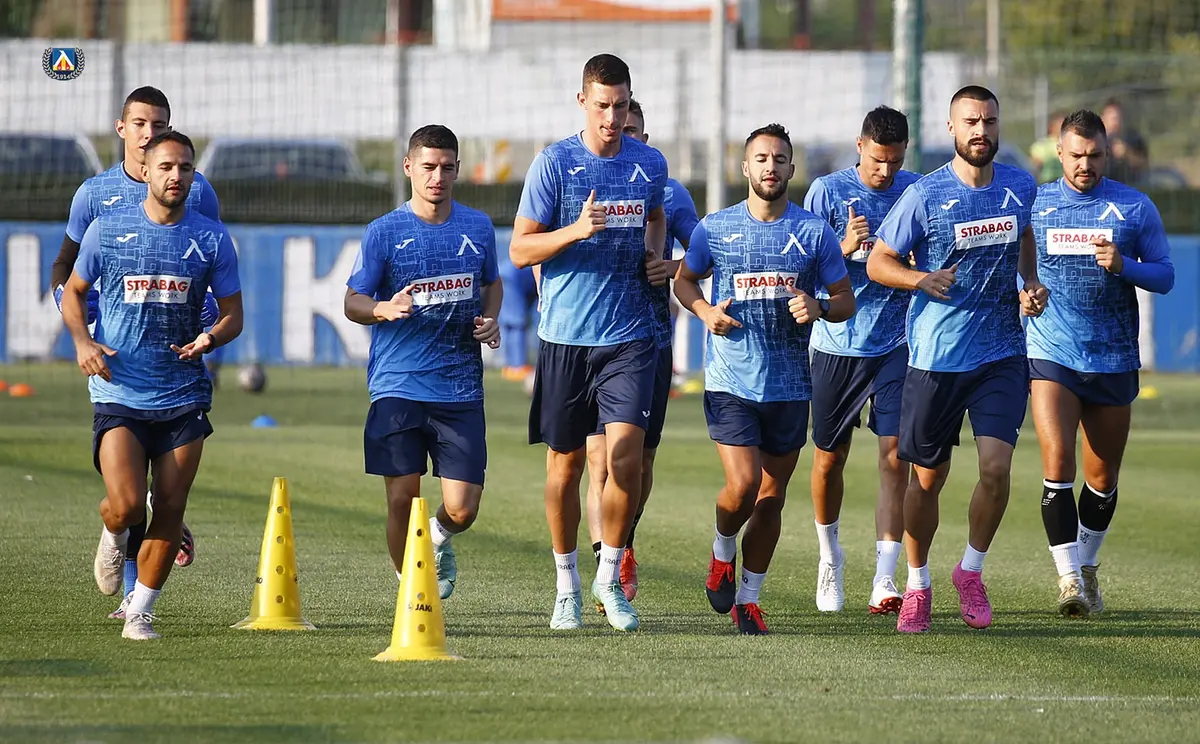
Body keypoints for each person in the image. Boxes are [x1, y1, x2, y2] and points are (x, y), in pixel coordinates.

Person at [867, 85, 1045, 633]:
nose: (981, 131)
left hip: (1002, 353)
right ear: (951, 128)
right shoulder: (925, 194)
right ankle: (917, 583)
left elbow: (1025, 236)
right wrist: (920, 279)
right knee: (927, 479)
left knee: (996, 469)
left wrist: (1029, 282)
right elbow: (878, 262)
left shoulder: (1019, 185)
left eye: (989, 121)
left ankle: (970, 571)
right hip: (937, 358)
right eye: (971, 122)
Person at [61, 131, 242, 640]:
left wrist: (210, 337)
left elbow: (234, 314)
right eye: (166, 166)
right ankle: (113, 529)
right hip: (120, 389)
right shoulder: (108, 229)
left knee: (169, 507)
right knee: (125, 504)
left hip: (184, 393)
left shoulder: (212, 238)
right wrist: (83, 342)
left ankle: (139, 611)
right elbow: (73, 292)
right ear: (145, 171)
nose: (175, 176)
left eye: (185, 168)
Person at [511, 53, 669, 632]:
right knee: (566, 466)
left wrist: (655, 256)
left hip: (630, 336)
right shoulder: (553, 164)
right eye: (602, 105)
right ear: (582, 101)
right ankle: (566, 585)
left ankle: (609, 574)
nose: (611, 117)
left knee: (625, 455)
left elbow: (657, 216)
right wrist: (575, 231)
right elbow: (520, 250)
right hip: (566, 339)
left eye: (620, 106)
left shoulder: (649, 163)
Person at [675, 123, 854, 635]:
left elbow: (845, 300)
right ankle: (721, 549)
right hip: (731, 381)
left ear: (792, 169)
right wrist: (705, 312)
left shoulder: (814, 233)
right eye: (761, 159)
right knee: (744, 486)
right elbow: (686, 281)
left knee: (771, 498)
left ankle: (749, 599)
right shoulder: (716, 228)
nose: (770, 167)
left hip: (791, 385)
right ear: (745, 168)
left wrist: (819, 307)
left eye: (779, 159)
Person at [1025, 109, 1174, 617]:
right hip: (1052, 352)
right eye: (1075, 155)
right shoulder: (1036, 204)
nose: (1084, 164)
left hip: (1112, 356)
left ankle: (1087, 567)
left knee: (1102, 478)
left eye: (1093, 155)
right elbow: (1014, 265)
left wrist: (1124, 265)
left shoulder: (1133, 207)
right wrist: (1025, 290)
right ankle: (1068, 577)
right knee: (1057, 464)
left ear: (1107, 154)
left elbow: (1165, 276)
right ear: (1059, 153)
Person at [345, 125, 502, 601]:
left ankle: (436, 539)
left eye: (447, 168)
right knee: (402, 498)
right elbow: (353, 301)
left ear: (457, 170)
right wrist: (382, 308)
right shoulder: (384, 232)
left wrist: (490, 319)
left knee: (463, 510)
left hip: (459, 388)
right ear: (408, 167)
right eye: (428, 167)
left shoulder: (478, 227)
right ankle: (410, 593)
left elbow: (491, 283)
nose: (437, 177)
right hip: (398, 385)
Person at [803, 105, 920, 615]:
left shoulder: (916, 191)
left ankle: (885, 577)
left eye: (894, 161)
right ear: (859, 146)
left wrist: (915, 264)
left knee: (896, 457)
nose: (885, 171)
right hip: (837, 344)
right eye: (877, 160)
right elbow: (799, 268)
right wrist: (843, 247)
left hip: (898, 344)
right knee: (829, 459)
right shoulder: (826, 192)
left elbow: (931, 257)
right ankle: (830, 556)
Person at [584, 97, 700, 611]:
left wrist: (671, 268)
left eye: (633, 130)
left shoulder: (668, 192)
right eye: (616, 125)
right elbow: (542, 243)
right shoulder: (582, 179)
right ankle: (603, 563)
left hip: (649, 339)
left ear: (645, 140)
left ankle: (623, 541)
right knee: (598, 459)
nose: (622, 133)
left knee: (639, 460)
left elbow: (703, 254)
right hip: (590, 340)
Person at [1029, 111, 1066, 184]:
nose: (1062, 128)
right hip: (1048, 182)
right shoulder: (1042, 145)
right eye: (1059, 124)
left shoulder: (1072, 144)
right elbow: (1034, 165)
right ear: (1052, 126)